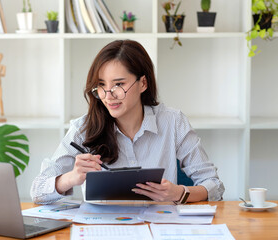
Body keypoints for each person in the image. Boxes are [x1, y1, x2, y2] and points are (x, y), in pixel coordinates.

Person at [31, 40, 224, 204]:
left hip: (159, 229)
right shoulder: (83, 128)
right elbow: (37, 191)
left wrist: (180, 193)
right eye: (101, 85)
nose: (108, 96)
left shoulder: (173, 122)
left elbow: (214, 185)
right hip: (103, 231)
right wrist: (70, 178)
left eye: (119, 84)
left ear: (143, 83)